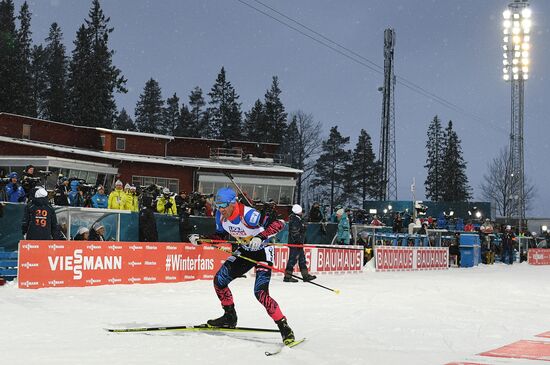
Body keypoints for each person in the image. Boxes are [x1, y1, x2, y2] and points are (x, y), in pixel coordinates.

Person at [188, 187, 294, 345]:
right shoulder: (220, 216)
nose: (221, 209)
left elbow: (279, 224)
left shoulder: (249, 214)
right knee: (219, 281)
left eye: (223, 205)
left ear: (233, 203)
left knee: (260, 293)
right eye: (218, 205)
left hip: (263, 251)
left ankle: (285, 327)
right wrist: (202, 239)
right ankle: (229, 316)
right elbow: (221, 235)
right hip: (245, 251)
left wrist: (260, 236)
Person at [284, 204, 316, 283]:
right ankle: (287, 277)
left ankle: (305, 275)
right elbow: (295, 232)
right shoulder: (295, 219)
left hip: (298, 243)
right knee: (292, 259)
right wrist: (298, 241)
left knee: (302, 259)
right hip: (295, 243)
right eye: (301, 211)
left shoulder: (297, 219)